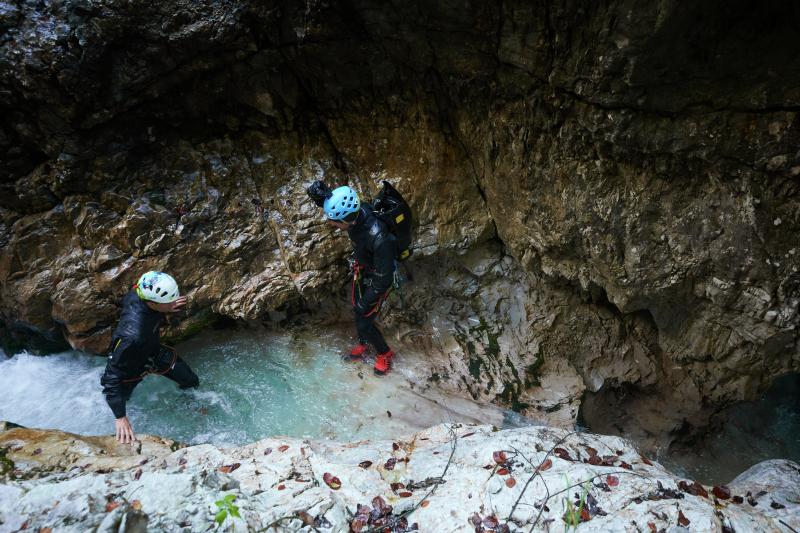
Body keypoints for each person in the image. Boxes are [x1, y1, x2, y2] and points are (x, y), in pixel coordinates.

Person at [309, 181, 398, 375]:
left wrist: (367, 301)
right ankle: (364, 342)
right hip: (365, 266)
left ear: (347, 220)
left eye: (334, 220)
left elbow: (384, 279)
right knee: (358, 308)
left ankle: (385, 353)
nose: (331, 223)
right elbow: (338, 205)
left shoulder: (380, 238)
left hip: (379, 276)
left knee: (363, 316)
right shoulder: (357, 211)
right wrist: (321, 196)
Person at [100, 271, 199, 443]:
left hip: (152, 351)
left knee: (191, 380)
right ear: (153, 303)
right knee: (124, 397)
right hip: (131, 368)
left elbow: (150, 307)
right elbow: (112, 375)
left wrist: (168, 306)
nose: (173, 303)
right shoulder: (132, 336)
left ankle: (190, 404)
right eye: (168, 302)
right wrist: (120, 417)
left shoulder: (138, 290)